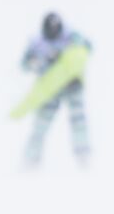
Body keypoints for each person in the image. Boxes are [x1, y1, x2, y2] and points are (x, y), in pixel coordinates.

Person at [22, 11, 91, 166]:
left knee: (78, 121)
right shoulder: (37, 43)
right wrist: (35, 62)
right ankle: (30, 159)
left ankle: (84, 156)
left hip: (72, 85)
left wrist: (66, 55)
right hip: (50, 88)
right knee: (41, 123)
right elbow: (25, 64)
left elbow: (88, 46)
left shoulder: (72, 37)